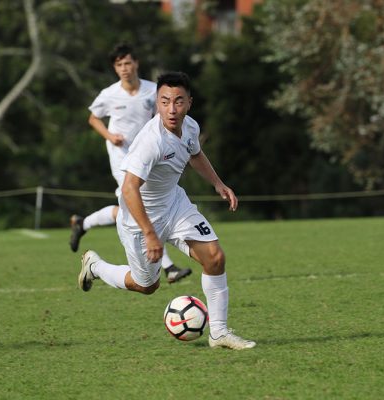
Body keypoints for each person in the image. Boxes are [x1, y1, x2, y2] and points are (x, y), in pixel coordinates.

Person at [77, 71, 256, 350]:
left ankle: (219, 333)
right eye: (164, 102)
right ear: (157, 103)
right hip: (140, 222)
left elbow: (195, 154)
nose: (171, 109)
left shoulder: (191, 127)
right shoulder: (151, 141)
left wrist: (218, 184)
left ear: (189, 103)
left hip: (175, 205)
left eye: (178, 101)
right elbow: (128, 189)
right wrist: (150, 234)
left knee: (215, 258)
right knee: (146, 285)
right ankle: (96, 267)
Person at [70, 43, 191, 284]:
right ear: (115, 69)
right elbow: (93, 118)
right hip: (122, 158)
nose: (124, 68)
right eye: (118, 65)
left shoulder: (151, 90)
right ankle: (168, 268)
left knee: (132, 209)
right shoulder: (109, 94)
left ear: (136, 63)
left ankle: (83, 223)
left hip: (149, 155)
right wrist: (110, 136)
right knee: (137, 206)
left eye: (127, 63)